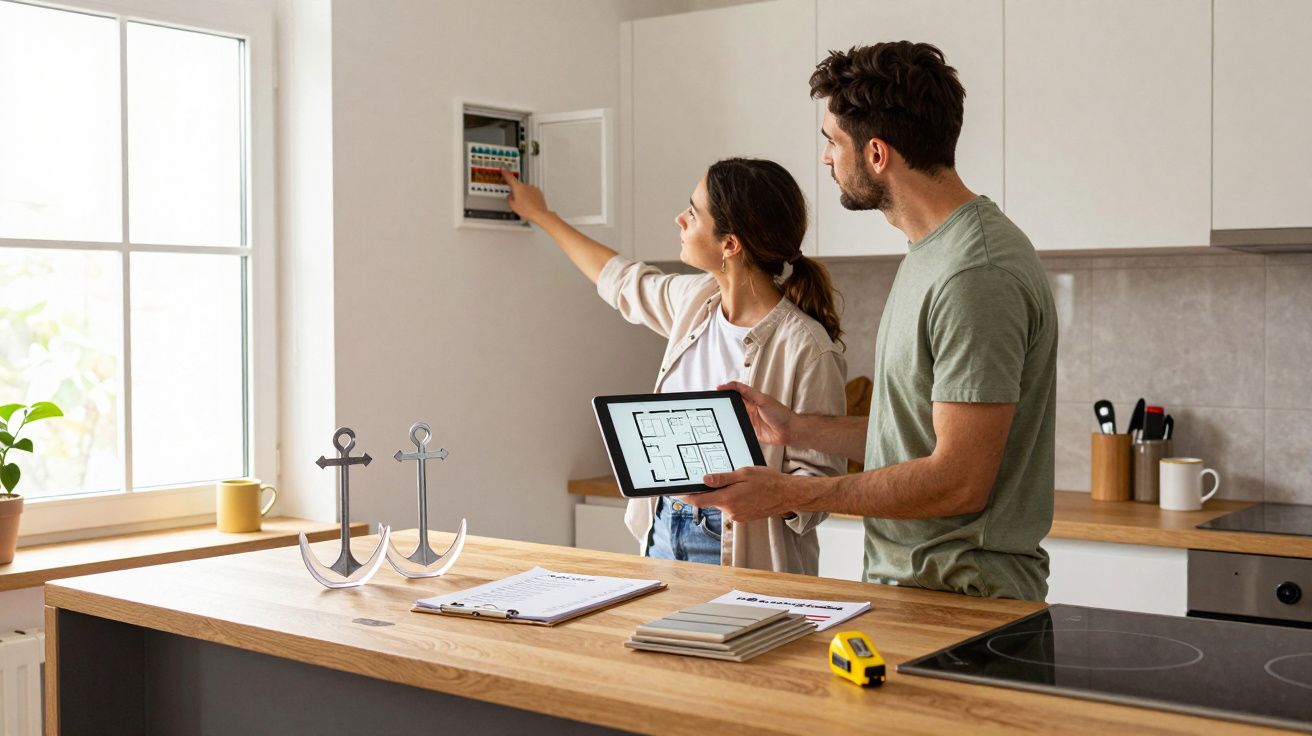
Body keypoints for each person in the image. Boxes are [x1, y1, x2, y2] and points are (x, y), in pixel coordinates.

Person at [700, 42, 1058, 601]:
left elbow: (959, 479)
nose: (825, 160)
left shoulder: (974, 274)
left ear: (875, 154)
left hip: (965, 601)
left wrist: (792, 494)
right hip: (918, 591)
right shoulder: (931, 253)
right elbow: (915, 436)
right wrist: (799, 429)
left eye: (831, 142)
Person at [499, 159, 846, 574]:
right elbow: (620, 279)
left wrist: (763, 494)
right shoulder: (696, 301)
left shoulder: (806, 347)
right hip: (664, 522)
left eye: (693, 212)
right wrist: (541, 214)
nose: (680, 219)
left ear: (730, 244)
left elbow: (821, 483)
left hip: (737, 537)